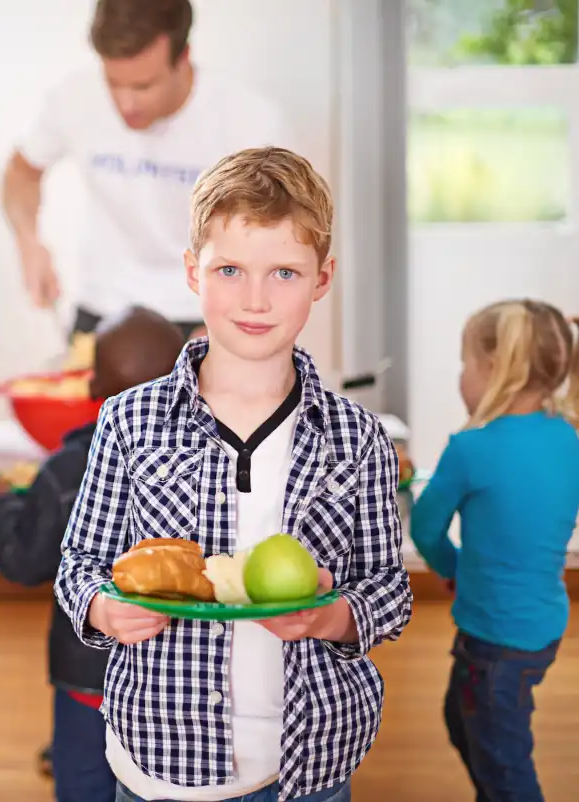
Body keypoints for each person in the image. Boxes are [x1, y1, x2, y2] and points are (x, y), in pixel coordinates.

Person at [54, 147, 412, 802]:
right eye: (229, 269)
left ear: (322, 278)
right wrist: (104, 608)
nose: (255, 298)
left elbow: (389, 587)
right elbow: (79, 562)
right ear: (193, 272)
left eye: (283, 272)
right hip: (160, 757)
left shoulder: (358, 437)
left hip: (308, 762)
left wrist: (333, 617)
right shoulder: (129, 423)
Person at [0, 306, 186, 802]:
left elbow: (22, 562)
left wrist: (7, 504)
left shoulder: (66, 470)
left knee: (85, 783)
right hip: (179, 680)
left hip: (88, 678)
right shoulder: (211, 461)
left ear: (93, 389)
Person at [2, 0, 289, 341]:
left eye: (143, 87)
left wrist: (236, 315)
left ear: (183, 58)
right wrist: (28, 242)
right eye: (113, 83)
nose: (126, 105)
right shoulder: (74, 97)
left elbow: (283, 235)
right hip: (104, 311)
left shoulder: (249, 122)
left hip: (205, 313)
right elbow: (22, 173)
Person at [410, 299, 579, 802]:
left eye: (466, 364)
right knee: (470, 725)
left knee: (503, 764)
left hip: (494, 639)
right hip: (540, 626)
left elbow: (424, 530)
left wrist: (451, 568)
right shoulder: (567, 437)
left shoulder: (470, 449)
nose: (461, 376)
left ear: (494, 370)